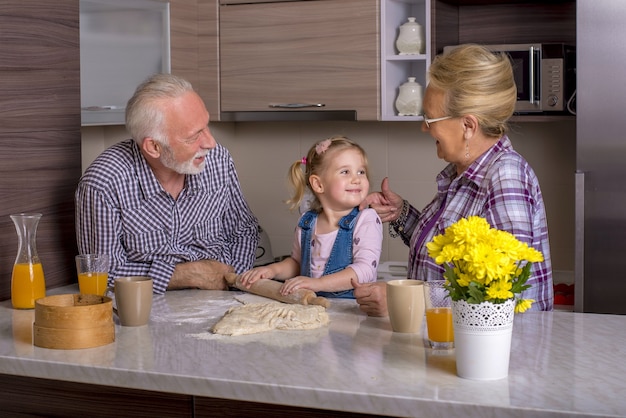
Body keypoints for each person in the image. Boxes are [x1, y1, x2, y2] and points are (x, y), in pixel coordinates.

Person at [353, 44, 553, 315]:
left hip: (497, 353)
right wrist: (400, 213)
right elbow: (446, 254)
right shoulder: (462, 174)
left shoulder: (506, 177)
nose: (424, 127)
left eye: (430, 118)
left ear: (468, 126)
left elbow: (504, 294)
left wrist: (405, 299)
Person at [75, 74, 259, 294]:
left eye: (206, 126)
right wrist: (185, 275)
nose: (210, 143)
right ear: (153, 147)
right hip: (147, 307)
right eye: (193, 136)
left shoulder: (218, 160)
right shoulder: (104, 184)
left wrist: (233, 280)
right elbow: (100, 275)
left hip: (222, 297)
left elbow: (244, 231)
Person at [239, 136, 383, 298]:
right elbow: (296, 263)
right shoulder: (307, 221)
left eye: (361, 172)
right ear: (318, 184)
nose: (357, 179)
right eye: (345, 172)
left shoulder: (366, 219)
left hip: (351, 312)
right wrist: (272, 270)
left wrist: (317, 284)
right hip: (310, 307)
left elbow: (365, 271)